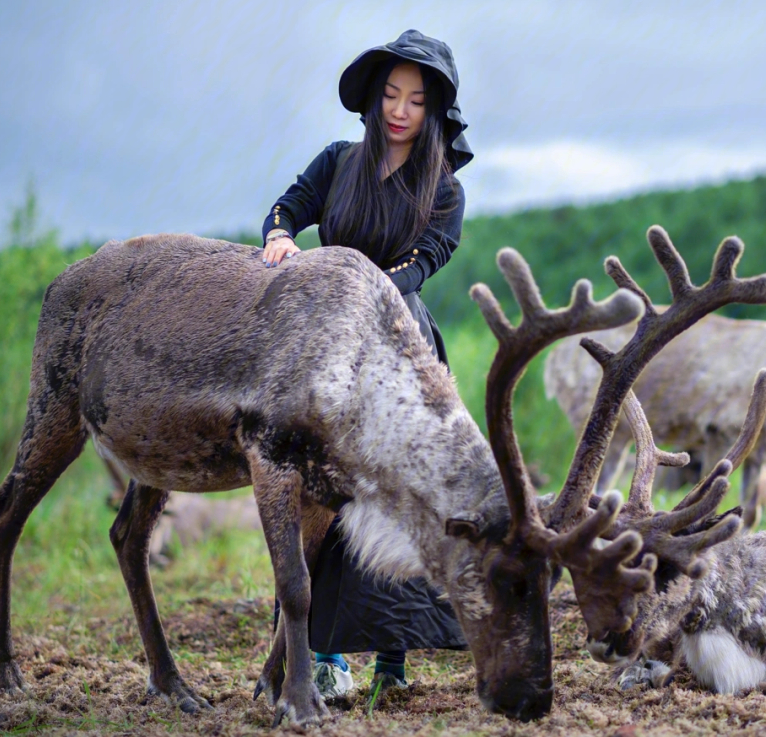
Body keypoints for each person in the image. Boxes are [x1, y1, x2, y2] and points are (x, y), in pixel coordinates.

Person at [260, 30, 472, 701]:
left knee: (399, 501)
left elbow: (420, 266)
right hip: (323, 346)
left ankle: (392, 662)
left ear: (434, 111)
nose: (400, 109)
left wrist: (356, 288)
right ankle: (318, 654)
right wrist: (279, 235)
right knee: (317, 495)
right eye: (391, 94)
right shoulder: (338, 161)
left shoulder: (443, 191)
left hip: (401, 349)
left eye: (415, 99)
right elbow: (288, 206)